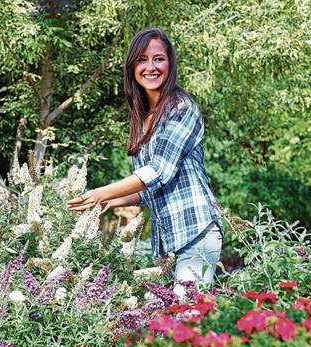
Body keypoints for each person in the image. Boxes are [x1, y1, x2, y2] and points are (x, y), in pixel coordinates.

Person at [68, 27, 223, 299]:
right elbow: (147, 189)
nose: (150, 67)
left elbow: (158, 171)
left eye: (158, 59)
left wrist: (100, 192)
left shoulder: (181, 108)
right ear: (132, 67)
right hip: (170, 240)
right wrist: (109, 202)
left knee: (183, 320)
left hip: (197, 232)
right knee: (173, 327)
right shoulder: (144, 116)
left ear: (170, 64)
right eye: (142, 59)